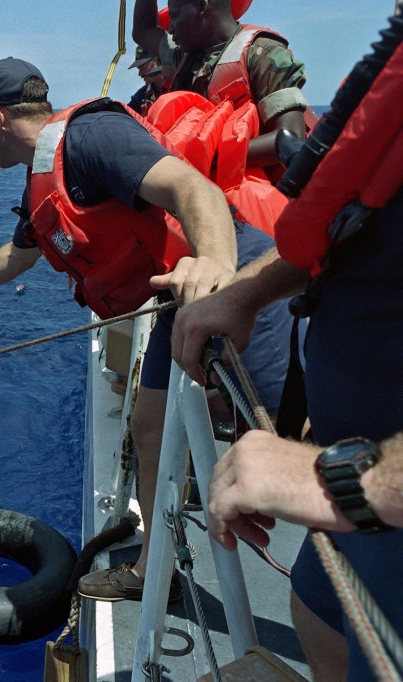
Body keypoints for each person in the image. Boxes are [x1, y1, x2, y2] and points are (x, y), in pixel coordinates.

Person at [0, 57, 293, 602]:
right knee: (148, 426)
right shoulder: (45, 174)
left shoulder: (90, 137)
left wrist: (218, 269)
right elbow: (20, 255)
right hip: (177, 294)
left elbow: (195, 191)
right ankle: (154, 571)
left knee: (284, 441)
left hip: (236, 281)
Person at [170, 123, 403, 682]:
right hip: (358, 512)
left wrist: (351, 481)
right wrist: (248, 291)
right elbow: (357, 225)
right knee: (318, 613)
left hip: (371, 494)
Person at [132, 0, 309, 172]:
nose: (170, 28)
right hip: (195, 189)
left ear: (202, 5)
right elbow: (143, 30)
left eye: (175, 17)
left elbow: (291, 137)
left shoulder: (263, 54)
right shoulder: (182, 57)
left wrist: (203, 156)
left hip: (246, 191)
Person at [128, 46, 164, 115]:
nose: (140, 74)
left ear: (157, 61)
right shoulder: (141, 95)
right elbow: (126, 113)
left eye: (143, 68)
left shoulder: (179, 85)